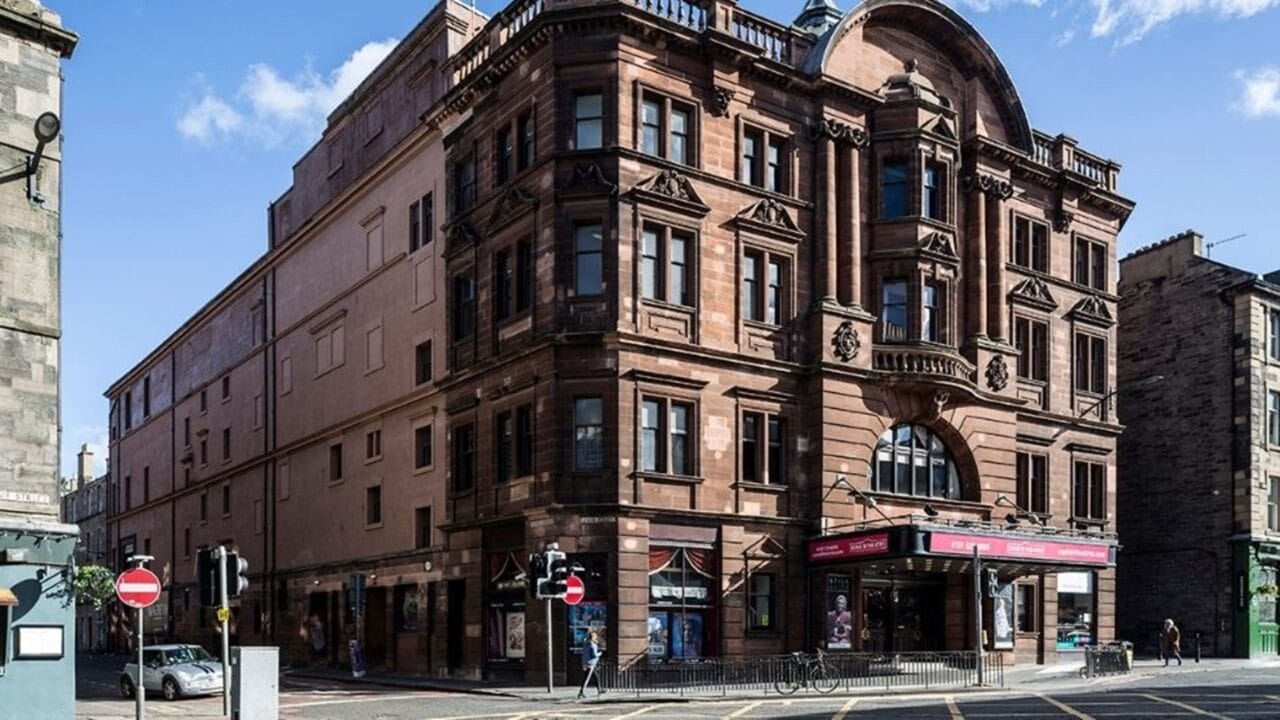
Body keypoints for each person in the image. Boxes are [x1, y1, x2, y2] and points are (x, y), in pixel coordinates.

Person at [577, 628, 605, 699]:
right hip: (591, 664)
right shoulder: (592, 645)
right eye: (595, 637)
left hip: (587, 663)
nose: (596, 638)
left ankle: (599, 689)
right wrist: (600, 654)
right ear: (593, 638)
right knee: (587, 678)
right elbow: (594, 654)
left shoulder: (586, 644)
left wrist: (584, 663)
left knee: (596, 677)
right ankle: (581, 692)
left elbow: (585, 654)